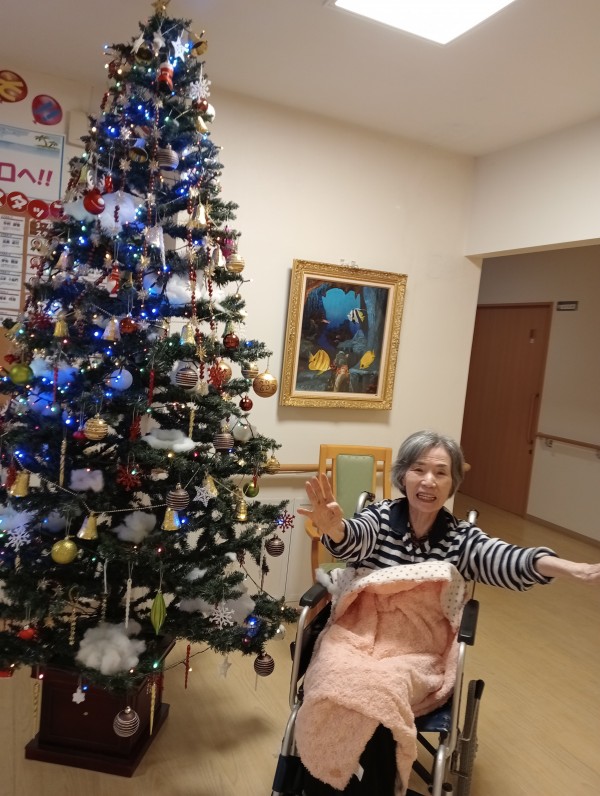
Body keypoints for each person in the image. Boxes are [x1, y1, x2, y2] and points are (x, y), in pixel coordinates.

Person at [296, 430, 600, 795]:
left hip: (415, 648)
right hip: (357, 633)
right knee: (334, 673)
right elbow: (353, 537)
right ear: (403, 475)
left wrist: (575, 569)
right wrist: (334, 528)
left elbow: (509, 559)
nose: (428, 480)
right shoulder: (380, 518)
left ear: (453, 482)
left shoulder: (461, 539)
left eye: (440, 472)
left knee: (381, 690)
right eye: (419, 469)